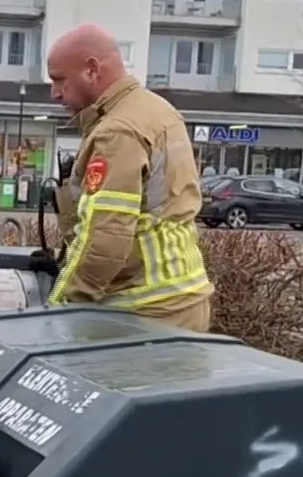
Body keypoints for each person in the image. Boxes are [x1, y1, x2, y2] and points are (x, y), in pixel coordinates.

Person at [38, 24, 213, 330]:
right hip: (182, 301)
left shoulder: (117, 132)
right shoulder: (157, 110)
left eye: (59, 80)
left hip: (141, 310)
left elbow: (105, 238)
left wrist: (59, 306)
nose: (55, 93)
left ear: (92, 70)